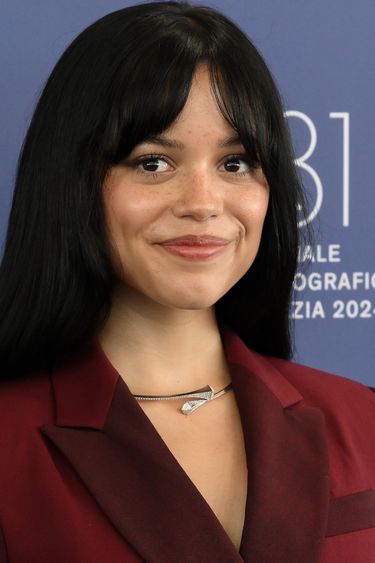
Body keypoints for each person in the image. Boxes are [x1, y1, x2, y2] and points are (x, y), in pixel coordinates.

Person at [0, 2, 374, 562]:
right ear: (72, 181)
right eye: (152, 163)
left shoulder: (360, 417)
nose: (203, 204)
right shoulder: (9, 441)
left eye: (236, 162)